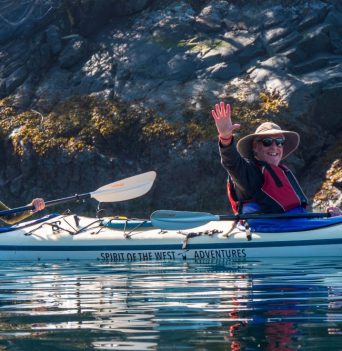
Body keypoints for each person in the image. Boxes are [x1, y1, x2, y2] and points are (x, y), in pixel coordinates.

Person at [211, 101, 342, 217]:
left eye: (279, 141)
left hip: (293, 225)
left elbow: (297, 214)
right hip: (267, 228)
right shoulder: (249, 172)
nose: (275, 147)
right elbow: (231, 162)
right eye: (267, 142)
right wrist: (225, 138)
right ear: (255, 147)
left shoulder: (282, 172)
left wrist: (329, 216)